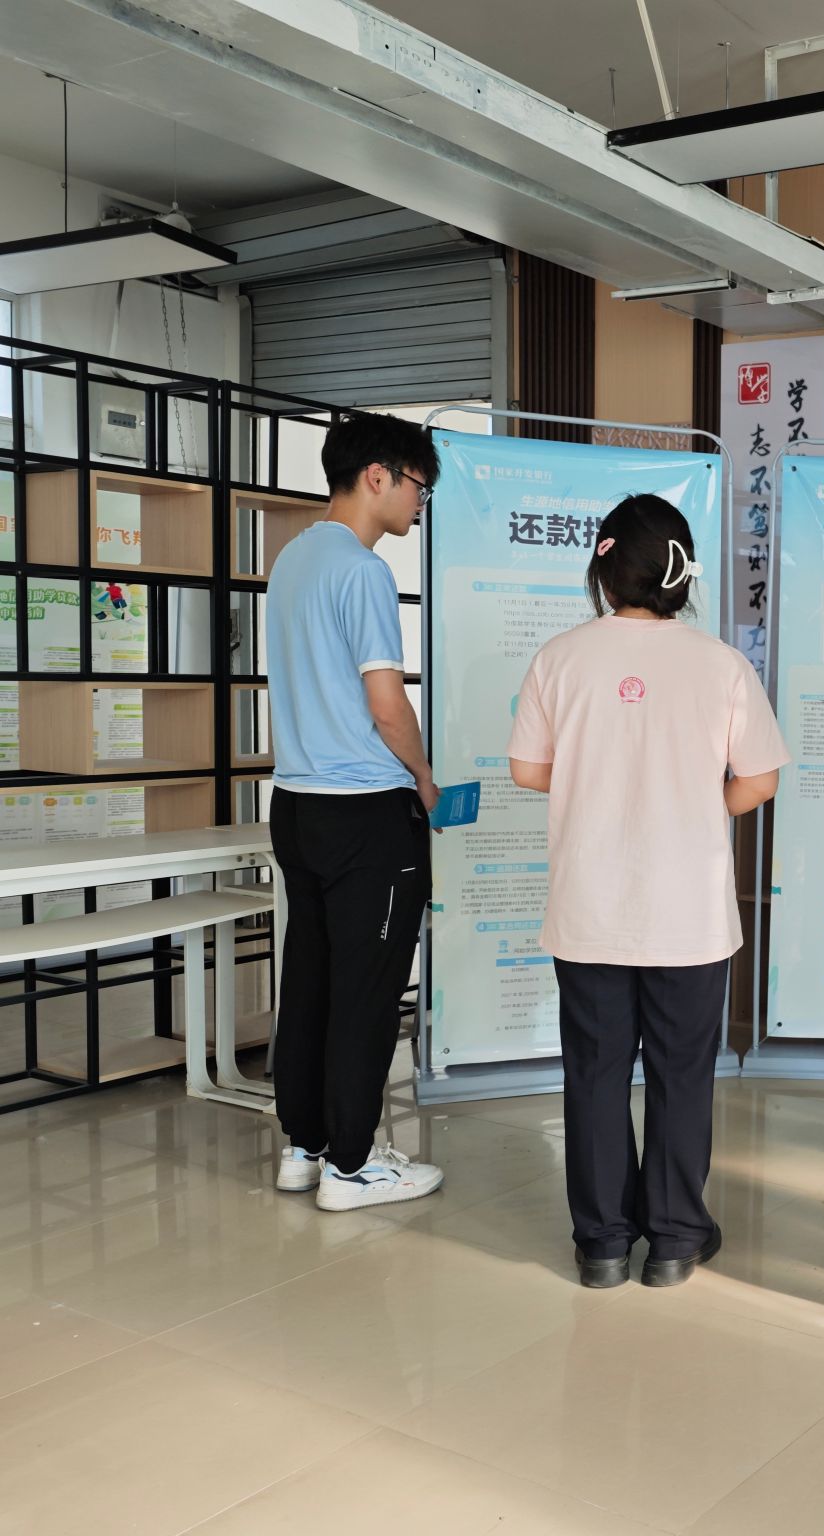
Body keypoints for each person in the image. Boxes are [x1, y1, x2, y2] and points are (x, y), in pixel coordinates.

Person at [508, 494, 788, 1289]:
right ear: (681, 575)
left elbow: (527, 770)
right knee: (681, 1074)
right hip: (688, 912)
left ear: (603, 567)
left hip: (589, 904)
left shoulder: (560, 658)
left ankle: (601, 1243)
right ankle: (672, 1240)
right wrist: (694, 801)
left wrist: (597, 788)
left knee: (596, 1073)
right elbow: (759, 780)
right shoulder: (721, 664)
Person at [266, 411, 443, 1210]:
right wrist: (424, 777)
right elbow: (386, 703)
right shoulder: (363, 571)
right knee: (366, 992)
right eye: (418, 486)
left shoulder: (292, 559)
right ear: (378, 475)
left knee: (310, 980)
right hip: (367, 814)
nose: (419, 503)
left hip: (297, 805)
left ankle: (303, 1146)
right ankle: (352, 1166)